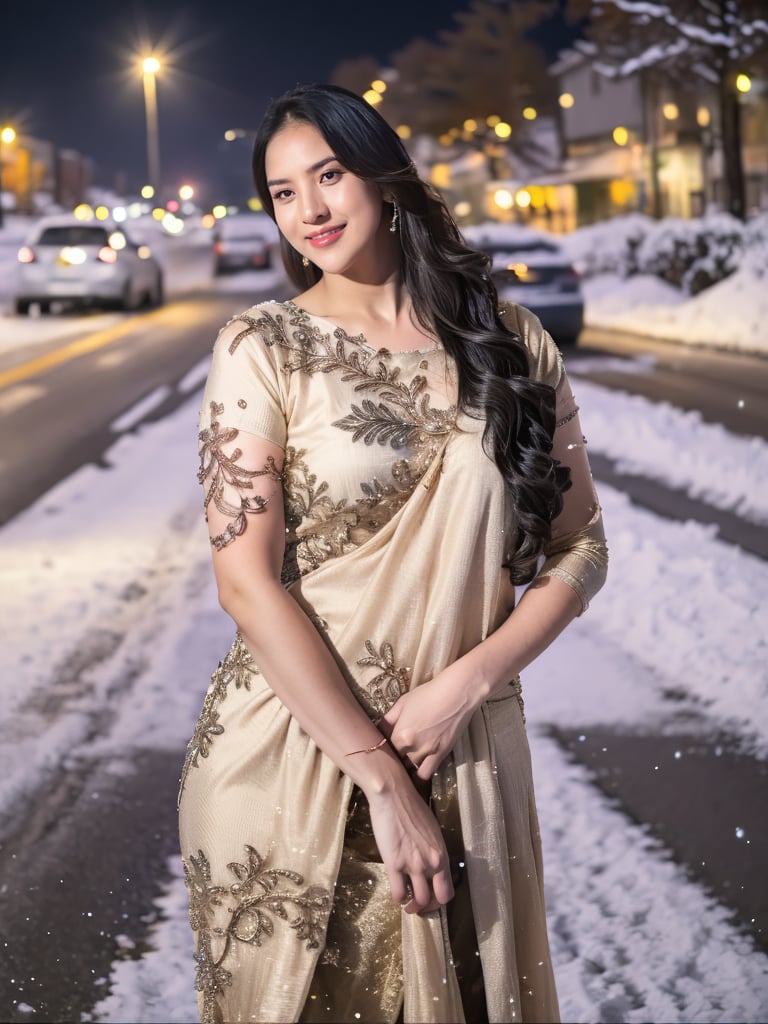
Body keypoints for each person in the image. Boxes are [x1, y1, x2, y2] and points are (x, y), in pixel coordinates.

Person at [178, 83, 608, 1024]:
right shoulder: (264, 348)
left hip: (466, 749)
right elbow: (246, 586)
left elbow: (581, 546)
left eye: (329, 175)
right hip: (295, 752)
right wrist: (379, 773)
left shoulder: (509, 342)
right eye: (284, 193)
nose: (312, 211)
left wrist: (469, 682)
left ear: (384, 174)